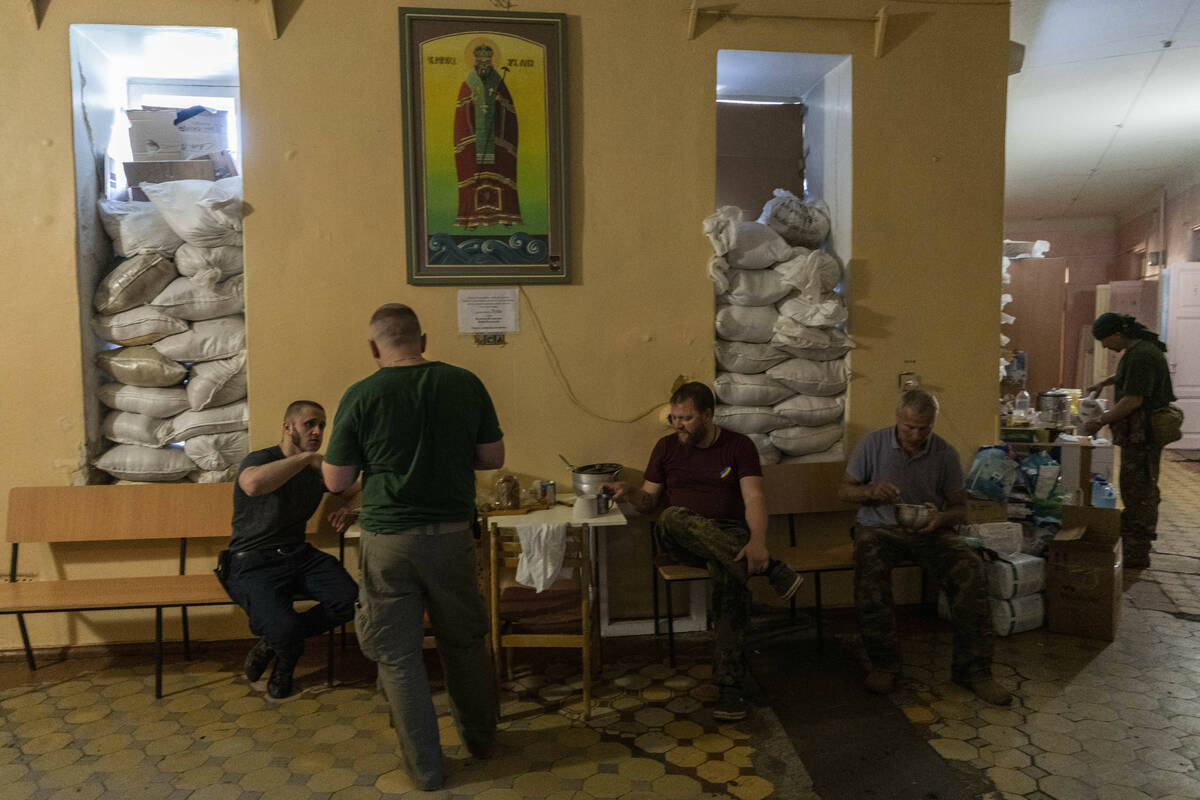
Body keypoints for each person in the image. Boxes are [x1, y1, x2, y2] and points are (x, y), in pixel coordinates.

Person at [322, 303, 504, 792]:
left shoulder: (361, 394)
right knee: (464, 642)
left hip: (388, 540)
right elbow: (492, 456)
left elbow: (337, 480)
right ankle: (482, 742)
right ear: (423, 339)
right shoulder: (464, 382)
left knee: (398, 655)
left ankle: (425, 770)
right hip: (450, 537)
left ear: (374, 346)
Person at [603, 382, 805, 722]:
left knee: (730, 577)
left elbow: (754, 498)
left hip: (730, 537)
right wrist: (631, 491)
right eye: (674, 418)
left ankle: (730, 687)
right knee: (673, 515)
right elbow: (651, 503)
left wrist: (757, 540)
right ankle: (772, 570)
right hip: (679, 537)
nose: (678, 425)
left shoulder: (738, 447)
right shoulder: (666, 448)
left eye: (687, 418)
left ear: (709, 416)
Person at [838, 389, 1011, 706]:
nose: (916, 435)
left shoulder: (945, 454)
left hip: (929, 531)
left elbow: (962, 509)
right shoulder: (873, 444)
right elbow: (843, 490)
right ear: (897, 419)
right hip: (879, 528)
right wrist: (871, 491)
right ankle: (884, 665)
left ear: (933, 424)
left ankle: (973, 671)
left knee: (970, 567)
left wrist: (943, 517)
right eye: (909, 428)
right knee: (869, 569)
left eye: (924, 428)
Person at [222, 401, 360, 700]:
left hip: (298, 555)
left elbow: (358, 486)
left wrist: (351, 507)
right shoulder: (261, 459)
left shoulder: (315, 470)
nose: (317, 431)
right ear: (288, 427)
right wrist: (307, 458)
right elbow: (253, 485)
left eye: (322, 425)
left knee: (349, 600)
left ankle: (270, 644)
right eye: (310, 424)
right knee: (282, 628)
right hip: (252, 560)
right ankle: (284, 664)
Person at [1081, 312, 1177, 569]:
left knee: (1139, 490)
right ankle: (1133, 542)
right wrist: (1105, 382)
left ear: (1117, 333)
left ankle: (1137, 550)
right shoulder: (1137, 352)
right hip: (1137, 434)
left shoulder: (1143, 355)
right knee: (1133, 486)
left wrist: (1100, 421)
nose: (1104, 346)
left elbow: (1133, 400)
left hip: (1143, 435)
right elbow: (1130, 377)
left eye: (1104, 339)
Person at [453, 41, 522, 229]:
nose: (484, 64)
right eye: (480, 60)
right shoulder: (468, 84)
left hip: (497, 142)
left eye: (487, 60)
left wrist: (497, 107)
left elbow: (509, 115)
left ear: (492, 61)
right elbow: (461, 117)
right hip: (475, 144)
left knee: (500, 173)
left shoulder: (499, 83)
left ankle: (505, 215)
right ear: (474, 61)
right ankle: (472, 219)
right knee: (475, 176)